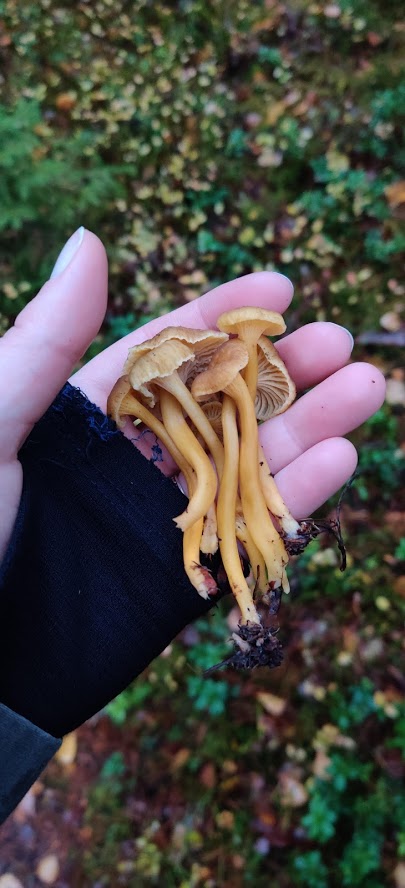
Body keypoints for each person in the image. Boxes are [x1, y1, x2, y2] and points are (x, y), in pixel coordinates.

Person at [0, 228, 386, 821]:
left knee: (235, 459)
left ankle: (269, 550)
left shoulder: (233, 379)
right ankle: (256, 579)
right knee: (211, 478)